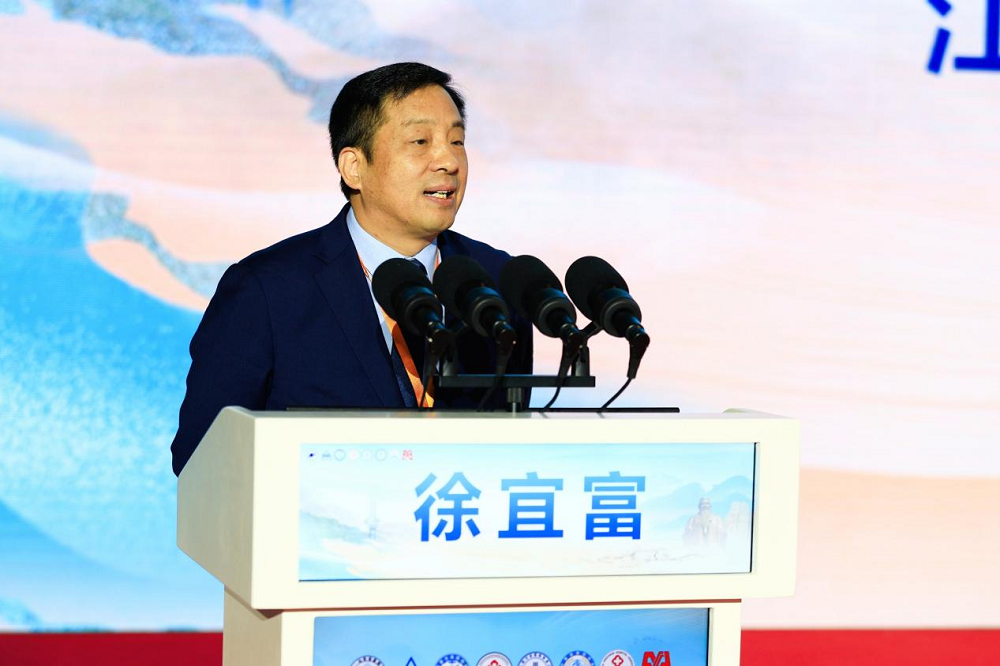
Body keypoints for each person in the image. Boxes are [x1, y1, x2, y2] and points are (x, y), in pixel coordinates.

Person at [170, 63, 533, 476]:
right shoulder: (267, 291)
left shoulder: (497, 281)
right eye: (420, 141)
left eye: (457, 141)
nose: (448, 161)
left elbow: (511, 447)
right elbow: (202, 459)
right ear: (354, 167)